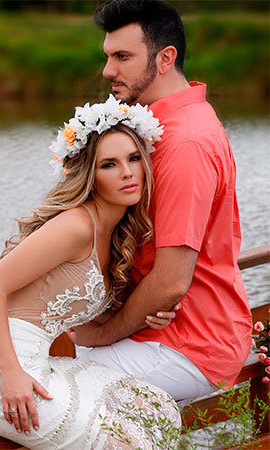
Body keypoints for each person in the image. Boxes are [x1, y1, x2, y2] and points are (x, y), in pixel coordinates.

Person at [0, 96, 180, 449]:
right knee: (128, 443)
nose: (127, 172)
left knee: (159, 411)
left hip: (41, 362)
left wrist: (150, 315)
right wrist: (11, 373)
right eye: (110, 164)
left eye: (134, 158)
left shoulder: (118, 232)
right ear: (90, 175)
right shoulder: (76, 225)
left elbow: (76, 326)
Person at [67, 0, 251, 405]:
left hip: (190, 342)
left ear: (165, 58)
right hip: (164, 325)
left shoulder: (184, 143)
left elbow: (169, 282)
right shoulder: (162, 124)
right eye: (107, 56)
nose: (107, 71)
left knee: (53, 397)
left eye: (122, 57)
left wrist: (105, 332)